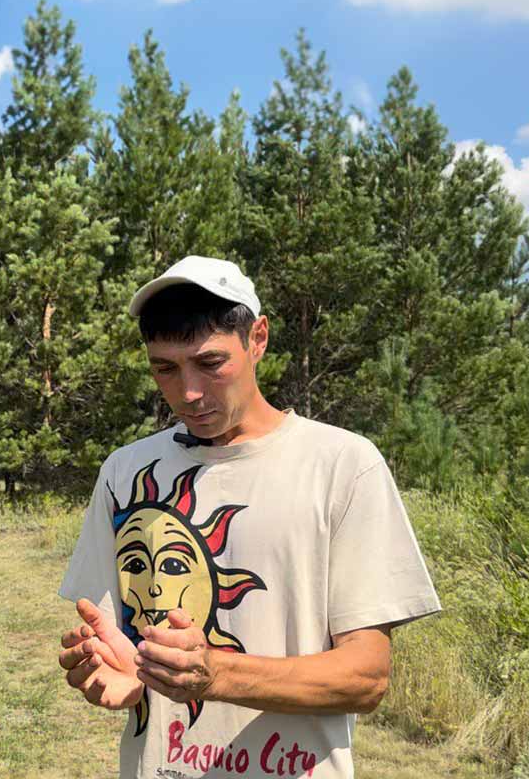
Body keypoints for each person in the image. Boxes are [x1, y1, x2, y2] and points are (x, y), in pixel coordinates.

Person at [57, 256, 441, 779]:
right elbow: (126, 649)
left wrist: (215, 673)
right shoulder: (126, 472)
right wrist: (124, 677)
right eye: (164, 368)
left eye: (211, 363)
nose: (188, 393)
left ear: (258, 338)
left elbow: (365, 678)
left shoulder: (342, 466)